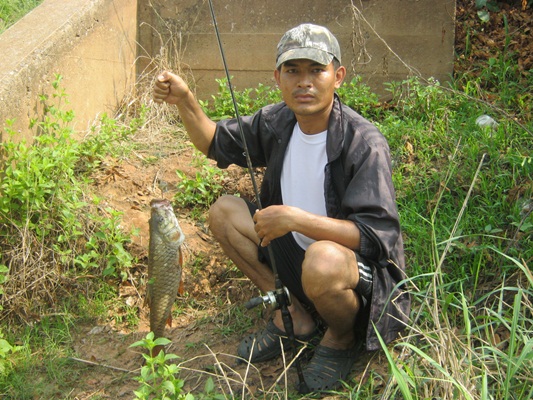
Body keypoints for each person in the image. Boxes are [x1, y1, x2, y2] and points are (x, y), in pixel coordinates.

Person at [153, 23, 410, 394]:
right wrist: (186, 100)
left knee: (321, 260)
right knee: (225, 211)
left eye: (316, 70)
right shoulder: (277, 122)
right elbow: (212, 141)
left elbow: (376, 237)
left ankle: (340, 338)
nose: (304, 82)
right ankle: (293, 314)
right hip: (296, 256)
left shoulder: (363, 143)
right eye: (293, 71)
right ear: (277, 77)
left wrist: (295, 218)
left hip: (353, 275)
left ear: (337, 77)